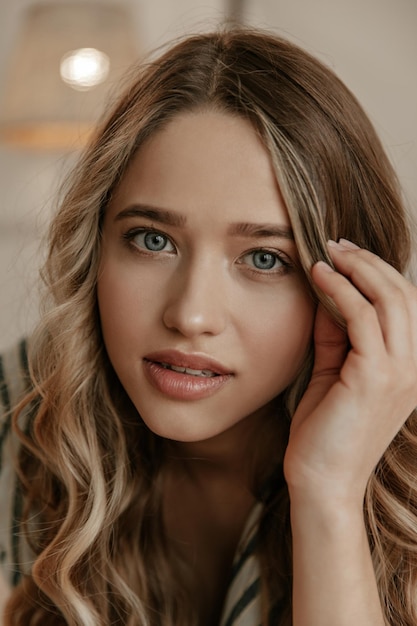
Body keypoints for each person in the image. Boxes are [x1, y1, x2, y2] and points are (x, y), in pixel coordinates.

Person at [1, 26, 417, 626]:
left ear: (349, 292)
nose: (190, 315)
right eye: (152, 240)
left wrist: (328, 493)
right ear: (94, 246)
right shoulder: (21, 411)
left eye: (265, 259)